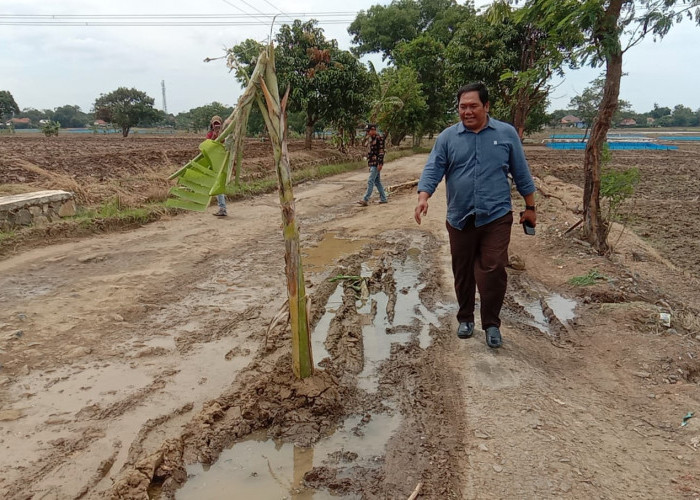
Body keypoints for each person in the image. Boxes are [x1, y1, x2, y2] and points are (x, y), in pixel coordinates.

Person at [414, 82, 537, 349]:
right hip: (459, 216)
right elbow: (434, 168)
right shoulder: (448, 137)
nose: (467, 111)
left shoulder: (506, 134)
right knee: (462, 270)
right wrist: (424, 196)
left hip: (496, 215)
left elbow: (521, 172)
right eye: (462, 107)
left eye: (473, 106)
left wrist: (530, 208)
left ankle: (491, 324)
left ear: (486, 106)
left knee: (493, 268)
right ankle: (465, 318)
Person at [357, 124, 388, 206]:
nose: (367, 133)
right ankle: (383, 198)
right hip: (372, 163)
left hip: (376, 163)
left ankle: (365, 199)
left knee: (370, 181)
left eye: (368, 131)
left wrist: (380, 163)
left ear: (373, 130)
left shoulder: (379, 139)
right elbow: (371, 152)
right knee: (377, 182)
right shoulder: (372, 139)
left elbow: (381, 152)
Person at [206, 115, 228, 217]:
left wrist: (220, 135)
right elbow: (208, 146)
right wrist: (214, 135)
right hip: (213, 161)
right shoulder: (210, 134)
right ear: (211, 124)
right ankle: (222, 207)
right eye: (214, 124)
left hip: (221, 161)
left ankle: (222, 208)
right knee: (217, 184)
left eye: (217, 124)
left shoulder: (225, 134)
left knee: (218, 184)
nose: (216, 126)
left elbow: (225, 145)